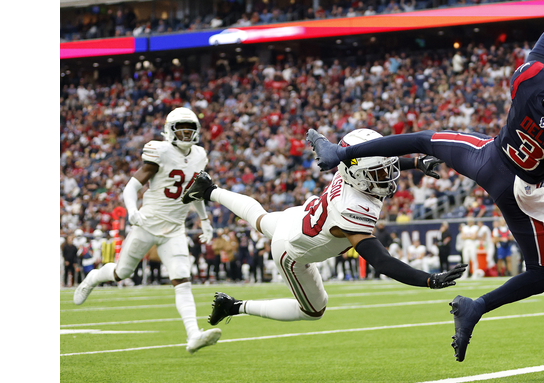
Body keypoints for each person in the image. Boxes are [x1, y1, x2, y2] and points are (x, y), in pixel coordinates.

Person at [308, 7, 544, 361]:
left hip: (486, 157)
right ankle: (477, 307)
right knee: (542, 274)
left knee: (423, 140)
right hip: (518, 190)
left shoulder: (530, 81)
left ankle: (341, 153)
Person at [180, 128, 467, 326]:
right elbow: (382, 261)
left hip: (300, 217)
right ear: (360, 175)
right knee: (313, 311)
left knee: (259, 217)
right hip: (292, 250)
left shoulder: (350, 170)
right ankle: (235, 306)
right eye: (381, 172)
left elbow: (372, 158)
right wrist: (427, 279)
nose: (389, 175)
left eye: (389, 167)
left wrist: (414, 161)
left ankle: (209, 190)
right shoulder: (354, 207)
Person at [73, 107, 222, 355]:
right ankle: (93, 278)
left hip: (175, 229)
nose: (186, 133)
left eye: (190, 128)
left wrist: (204, 219)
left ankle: (193, 335)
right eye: (181, 128)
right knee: (122, 273)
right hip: (147, 224)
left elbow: (195, 189)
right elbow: (131, 187)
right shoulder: (160, 151)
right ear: (170, 130)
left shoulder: (199, 155)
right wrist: (132, 209)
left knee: (183, 280)